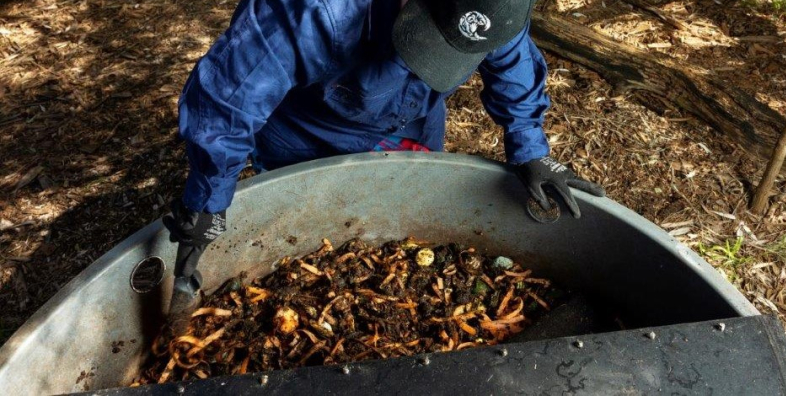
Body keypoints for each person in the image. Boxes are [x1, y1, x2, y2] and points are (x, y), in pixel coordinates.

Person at [161, 0, 604, 333]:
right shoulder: (314, 10)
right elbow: (227, 102)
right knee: (314, 232)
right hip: (306, 132)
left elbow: (513, 64)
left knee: (400, 225)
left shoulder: (495, 6)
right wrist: (209, 201)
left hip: (410, 119)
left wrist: (529, 148)